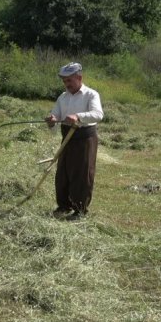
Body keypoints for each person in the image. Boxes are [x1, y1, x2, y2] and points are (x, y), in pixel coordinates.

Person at [44, 62, 104, 221]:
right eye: (64, 81)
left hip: (85, 138)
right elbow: (55, 116)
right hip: (67, 138)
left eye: (69, 80)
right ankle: (63, 206)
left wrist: (79, 116)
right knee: (63, 172)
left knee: (82, 174)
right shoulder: (62, 98)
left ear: (79, 77)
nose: (66, 84)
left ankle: (80, 211)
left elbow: (98, 114)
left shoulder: (91, 95)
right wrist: (52, 120)